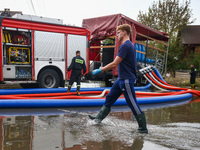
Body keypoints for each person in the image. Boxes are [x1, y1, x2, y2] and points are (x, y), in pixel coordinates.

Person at [88, 24, 148, 133]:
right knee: (110, 97)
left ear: (125, 32)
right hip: (121, 79)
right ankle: (98, 119)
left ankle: (143, 128)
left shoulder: (126, 45)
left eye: (118, 33)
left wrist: (100, 69)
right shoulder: (127, 45)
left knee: (132, 103)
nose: (117, 35)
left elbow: (115, 63)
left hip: (126, 79)